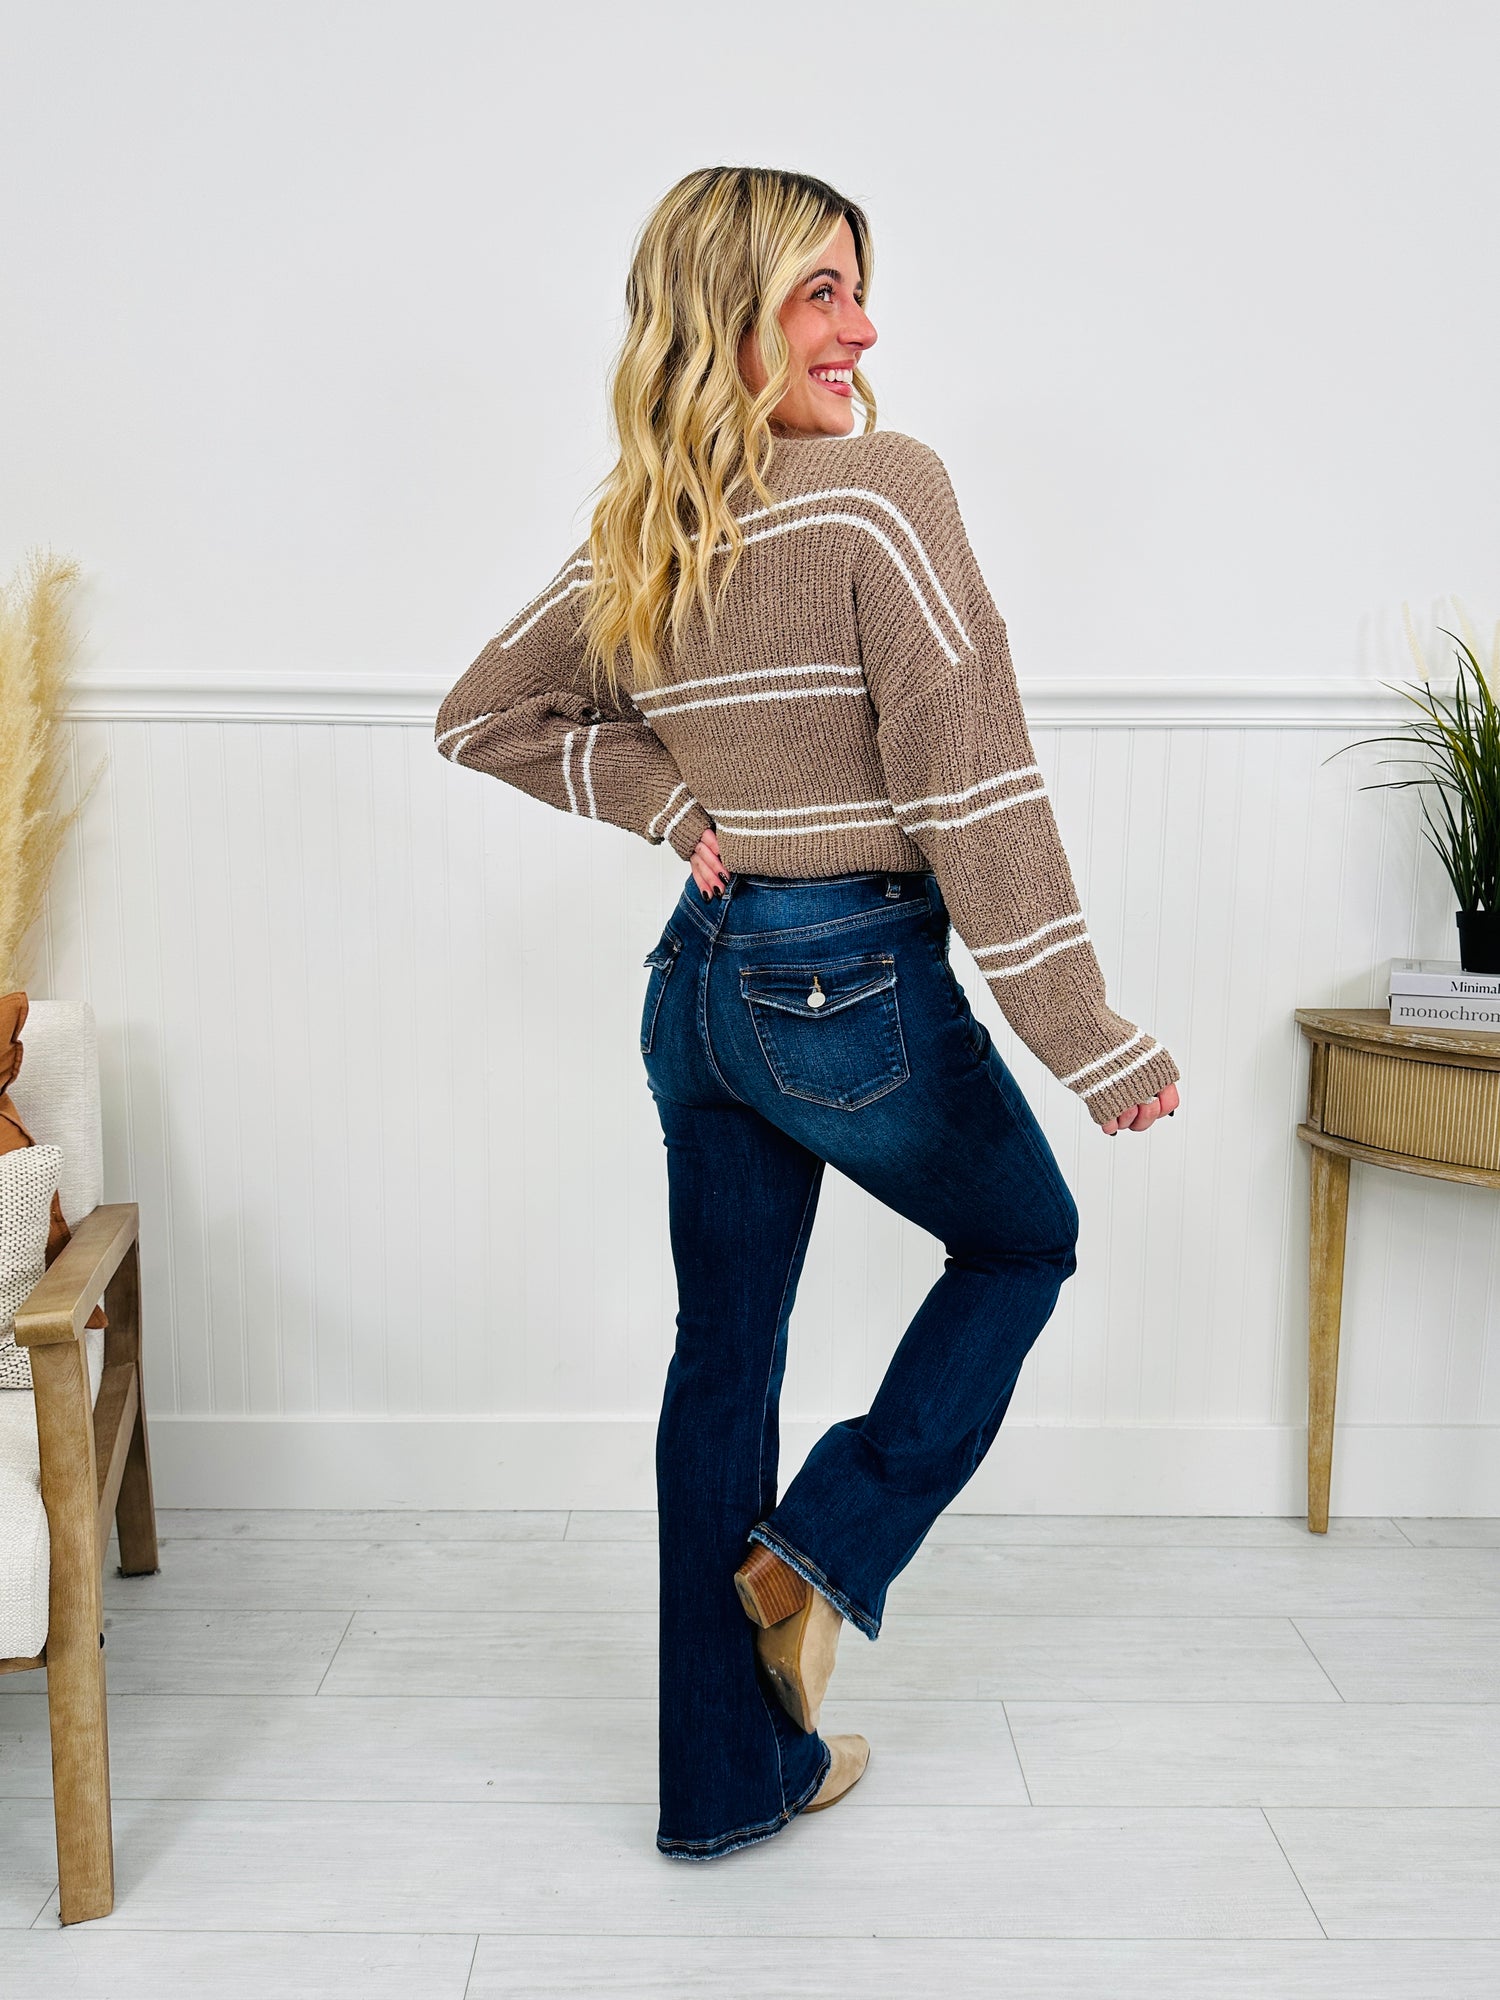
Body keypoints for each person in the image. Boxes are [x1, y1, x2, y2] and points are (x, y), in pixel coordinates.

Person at [435, 164, 1182, 1863]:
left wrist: (676, 814)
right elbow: (970, 781)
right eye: (821, 293)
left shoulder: (647, 527)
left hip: (700, 994)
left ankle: (724, 1784)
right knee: (1024, 1244)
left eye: (860, 289)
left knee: (722, 1357)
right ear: (731, 317)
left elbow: (483, 714)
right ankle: (820, 1552)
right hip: (845, 983)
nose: (864, 329)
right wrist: (1087, 1032)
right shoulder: (879, 493)